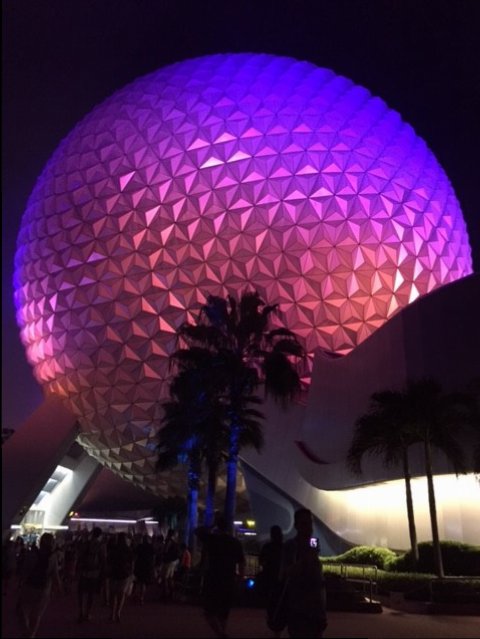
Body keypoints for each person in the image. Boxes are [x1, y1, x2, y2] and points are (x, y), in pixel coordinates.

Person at [274, 508, 327, 639]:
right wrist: (305, 559)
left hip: (316, 605)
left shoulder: (312, 545)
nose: (309, 528)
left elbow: (317, 574)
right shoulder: (291, 546)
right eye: (304, 524)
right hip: (298, 606)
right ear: (296, 526)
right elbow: (285, 573)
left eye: (310, 523)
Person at [195, 513, 245, 639]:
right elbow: (241, 562)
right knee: (224, 611)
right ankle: (222, 632)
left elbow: (197, 531)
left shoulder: (212, 539)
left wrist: (211, 526)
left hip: (213, 578)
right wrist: (240, 579)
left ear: (218, 526)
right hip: (228, 579)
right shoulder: (235, 543)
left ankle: (220, 634)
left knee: (209, 611)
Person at [16, 532, 63, 638]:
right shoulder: (53, 557)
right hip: (44, 589)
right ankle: (31, 635)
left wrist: (20, 584)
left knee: (21, 610)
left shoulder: (32, 554)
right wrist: (59, 589)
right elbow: (55, 575)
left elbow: (25, 571)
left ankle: (26, 632)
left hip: (29, 586)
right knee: (37, 615)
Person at [76, 526, 106, 622]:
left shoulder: (86, 544)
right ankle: (88, 613)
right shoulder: (101, 545)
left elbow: (79, 556)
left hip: (84, 572)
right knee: (91, 594)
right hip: (94, 573)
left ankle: (81, 611)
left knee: (81, 593)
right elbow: (103, 560)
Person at [258, 525, 284, 633]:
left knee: (270, 602)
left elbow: (261, 561)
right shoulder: (284, 547)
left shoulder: (267, 547)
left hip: (269, 577)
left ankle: (272, 620)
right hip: (281, 579)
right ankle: (278, 625)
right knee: (280, 601)